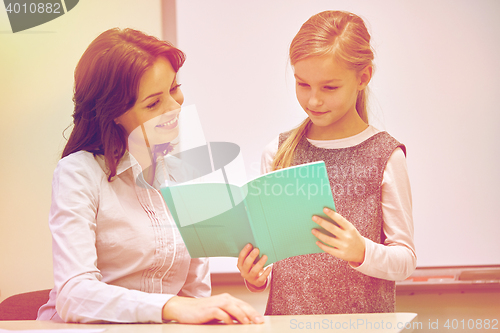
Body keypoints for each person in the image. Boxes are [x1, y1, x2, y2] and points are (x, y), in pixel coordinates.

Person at [37, 28, 263, 325]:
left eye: (174, 88)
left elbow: (194, 295)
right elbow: (74, 295)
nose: (174, 107)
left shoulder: (186, 175)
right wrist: (170, 306)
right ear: (113, 113)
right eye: (154, 103)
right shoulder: (79, 173)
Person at [237, 10, 416, 315]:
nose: (313, 100)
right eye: (302, 84)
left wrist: (362, 252)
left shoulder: (385, 155)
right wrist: (255, 277)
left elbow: (405, 260)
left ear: (363, 77)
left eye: (329, 87)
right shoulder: (278, 153)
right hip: (286, 323)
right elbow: (271, 256)